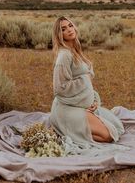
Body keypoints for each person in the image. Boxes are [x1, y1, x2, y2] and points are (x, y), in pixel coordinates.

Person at [49, 16, 125, 147]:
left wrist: (93, 100)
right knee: (107, 135)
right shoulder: (64, 56)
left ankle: (70, 130)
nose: (68, 30)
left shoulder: (74, 50)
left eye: (70, 26)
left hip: (80, 105)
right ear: (59, 34)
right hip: (67, 109)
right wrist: (84, 81)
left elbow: (86, 82)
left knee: (116, 125)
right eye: (63, 29)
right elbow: (60, 88)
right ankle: (64, 131)